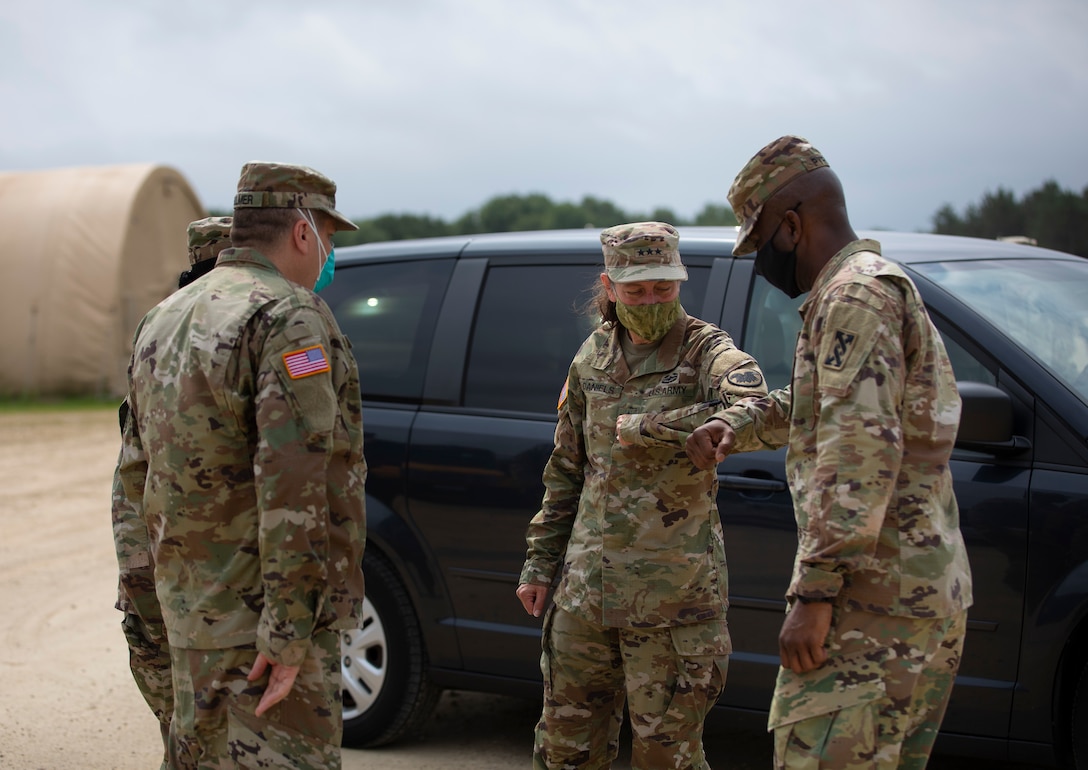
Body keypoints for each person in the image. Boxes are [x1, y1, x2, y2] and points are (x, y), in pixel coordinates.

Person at [685, 135, 973, 769]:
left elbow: (857, 449)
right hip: (918, 594)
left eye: (762, 245)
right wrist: (742, 422)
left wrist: (815, 595)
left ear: (792, 224)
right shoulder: (875, 285)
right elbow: (829, 404)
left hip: (868, 606)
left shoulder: (851, 297)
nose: (762, 262)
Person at [114, 161, 367, 769]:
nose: (328, 253)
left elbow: (133, 475)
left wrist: (146, 607)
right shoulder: (288, 315)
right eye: (329, 237)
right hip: (259, 631)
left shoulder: (163, 318)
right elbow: (295, 479)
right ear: (304, 232)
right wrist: (287, 632)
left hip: (188, 616)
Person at [516, 221, 768, 769]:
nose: (651, 300)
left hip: (672, 605)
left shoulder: (707, 351)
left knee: (667, 758)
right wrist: (540, 563)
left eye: (664, 288)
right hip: (585, 597)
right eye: (636, 290)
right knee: (565, 751)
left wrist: (652, 427)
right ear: (610, 287)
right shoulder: (592, 356)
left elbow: (757, 409)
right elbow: (566, 469)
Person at [111, 215, 234, 768]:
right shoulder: (248, 325)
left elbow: (133, 454)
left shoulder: (154, 324)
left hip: (144, 540)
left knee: (176, 706)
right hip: (207, 566)